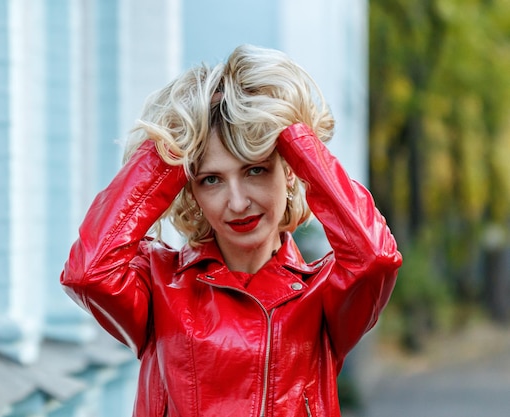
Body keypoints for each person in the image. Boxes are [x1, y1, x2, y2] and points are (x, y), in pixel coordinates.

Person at [60, 44, 402, 417]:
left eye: (255, 169)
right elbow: (88, 273)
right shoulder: (159, 285)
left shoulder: (320, 295)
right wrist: (172, 148)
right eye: (211, 179)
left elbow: (376, 258)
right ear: (190, 188)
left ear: (288, 171)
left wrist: (293, 138)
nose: (237, 202)